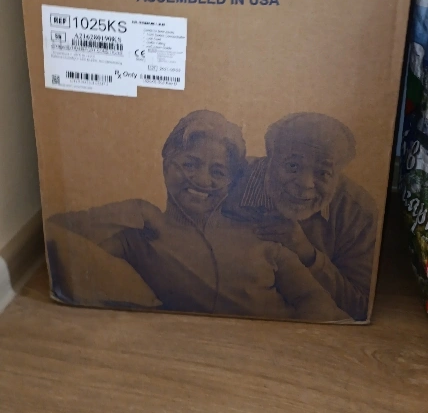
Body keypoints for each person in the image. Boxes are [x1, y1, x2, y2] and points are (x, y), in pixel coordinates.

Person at [49, 110, 349, 322]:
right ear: (167, 164)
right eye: (190, 165)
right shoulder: (140, 238)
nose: (203, 181)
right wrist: (133, 209)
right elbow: (58, 236)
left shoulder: (261, 234)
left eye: (218, 172)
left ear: (232, 182)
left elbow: (316, 302)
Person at [222, 112, 378, 322]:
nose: (305, 184)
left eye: (323, 173)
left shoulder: (357, 213)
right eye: (292, 166)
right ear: (270, 158)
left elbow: (361, 307)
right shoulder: (228, 183)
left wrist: (308, 255)